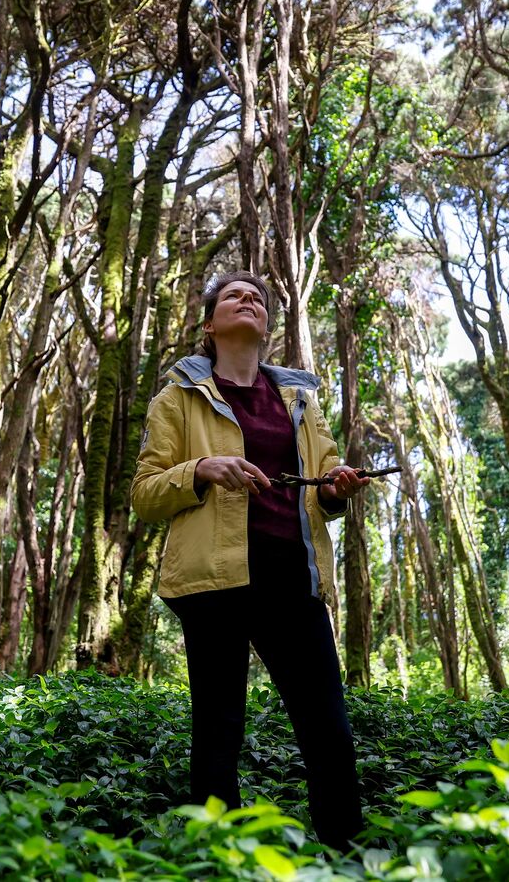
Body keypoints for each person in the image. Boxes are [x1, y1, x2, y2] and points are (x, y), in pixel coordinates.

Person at [131, 270, 369, 851]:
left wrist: (335, 489)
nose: (249, 301)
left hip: (294, 580)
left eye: (258, 298)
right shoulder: (178, 399)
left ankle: (346, 849)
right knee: (218, 730)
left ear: (266, 325)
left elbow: (322, 483)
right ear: (210, 325)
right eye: (234, 296)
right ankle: (215, 856)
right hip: (213, 582)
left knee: (329, 729)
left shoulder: (299, 401)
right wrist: (200, 469)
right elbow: (145, 495)